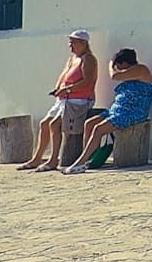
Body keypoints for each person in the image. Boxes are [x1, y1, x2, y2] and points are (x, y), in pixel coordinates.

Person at [65, 48, 152, 174]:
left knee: (98, 129)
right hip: (117, 110)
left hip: (131, 112)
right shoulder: (130, 74)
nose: (118, 68)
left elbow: (114, 76)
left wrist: (110, 64)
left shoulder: (141, 69)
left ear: (124, 63)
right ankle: (88, 159)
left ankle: (80, 162)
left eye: (118, 65)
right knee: (89, 124)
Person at [19, 31, 98, 171]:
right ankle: (36, 158)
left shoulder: (89, 58)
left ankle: (53, 159)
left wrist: (68, 90)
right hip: (64, 99)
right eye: (70, 42)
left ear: (83, 43)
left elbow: (88, 81)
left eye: (73, 42)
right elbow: (64, 77)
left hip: (79, 100)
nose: (70, 45)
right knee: (44, 124)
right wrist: (57, 89)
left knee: (55, 125)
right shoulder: (72, 59)